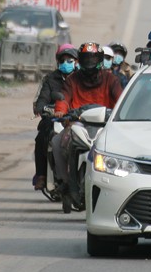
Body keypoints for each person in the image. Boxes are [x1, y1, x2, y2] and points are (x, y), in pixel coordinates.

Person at [52, 43, 124, 206]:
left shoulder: (111, 80)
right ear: (80, 60)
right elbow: (63, 98)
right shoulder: (72, 80)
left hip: (105, 126)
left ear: (99, 60)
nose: (89, 62)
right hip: (77, 124)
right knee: (56, 143)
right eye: (86, 58)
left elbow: (120, 100)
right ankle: (63, 181)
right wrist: (60, 111)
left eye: (92, 58)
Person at [31, 44, 77, 191]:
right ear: (58, 62)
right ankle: (41, 175)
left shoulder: (81, 79)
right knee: (41, 138)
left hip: (76, 119)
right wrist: (44, 108)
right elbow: (41, 101)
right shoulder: (50, 79)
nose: (66, 64)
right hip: (54, 120)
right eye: (63, 61)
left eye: (70, 60)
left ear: (76, 62)